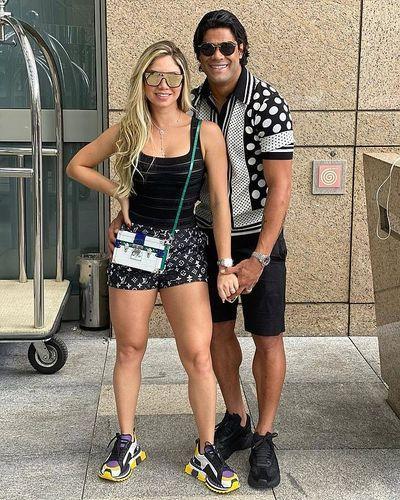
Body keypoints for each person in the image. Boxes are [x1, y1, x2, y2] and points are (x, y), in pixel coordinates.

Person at [109, 10, 294, 491]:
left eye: (226, 47)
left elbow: (280, 190)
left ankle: (264, 436)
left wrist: (258, 258)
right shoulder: (190, 103)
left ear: (242, 49)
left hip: (256, 238)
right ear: (198, 56)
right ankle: (236, 416)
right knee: (216, 334)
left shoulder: (268, 103)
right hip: (203, 237)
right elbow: (155, 169)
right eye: (208, 48)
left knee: (267, 336)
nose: (218, 56)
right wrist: (126, 203)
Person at [67, 40, 241, 494]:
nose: (164, 85)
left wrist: (225, 265)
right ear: (143, 81)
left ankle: (206, 449)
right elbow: (77, 165)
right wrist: (118, 191)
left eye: (173, 77)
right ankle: (126, 441)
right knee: (130, 348)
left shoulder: (205, 133)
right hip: (135, 245)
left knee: (198, 354)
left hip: (184, 246)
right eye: (154, 76)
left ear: (184, 81)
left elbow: (220, 202)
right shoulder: (129, 129)